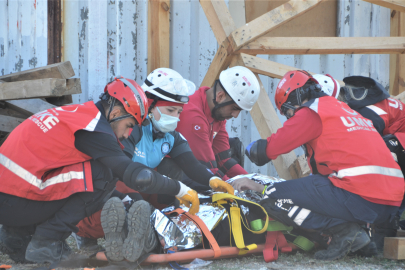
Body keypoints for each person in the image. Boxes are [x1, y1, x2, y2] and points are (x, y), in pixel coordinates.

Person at [0, 77, 200, 264]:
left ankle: (17, 236)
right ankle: (47, 242)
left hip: (11, 199)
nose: (126, 134)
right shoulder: (96, 130)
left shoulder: (80, 114)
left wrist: (125, 199)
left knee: (95, 176)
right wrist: (180, 189)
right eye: (129, 125)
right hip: (15, 201)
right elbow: (135, 175)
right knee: (105, 173)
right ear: (115, 114)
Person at [235, 70, 404, 260]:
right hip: (392, 203)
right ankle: (356, 239)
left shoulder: (312, 112)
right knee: (316, 187)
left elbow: (265, 151)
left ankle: (346, 234)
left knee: (272, 199)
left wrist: (246, 153)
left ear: (295, 98)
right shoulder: (345, 110)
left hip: (361, 197)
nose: (290, 116)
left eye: (287, 111)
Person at [73, 68, 235, 262]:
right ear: (150, 106)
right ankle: (87, 232)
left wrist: (213, 180)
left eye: (179, 112)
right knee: (131, 197)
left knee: (170, 177)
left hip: (140, 186)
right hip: (113, 189)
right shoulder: (131, 129)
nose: (175, 117)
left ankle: (142, 235)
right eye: (170, 111)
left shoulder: (171, 137)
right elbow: (120, 172)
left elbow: (191, 165)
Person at [313, 73, 405, 251]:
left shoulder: (368, 112)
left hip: (399, 143)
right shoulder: (368, 103)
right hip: (399, 142)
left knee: (378, 162)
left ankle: (386, 226)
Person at [176, 66, 260, 180]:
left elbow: (224, 160)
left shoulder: (216, 115)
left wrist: (254, 181)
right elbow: (208, 170)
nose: (235, 115)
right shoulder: (193, 117)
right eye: (235, 108)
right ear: (220, 96)